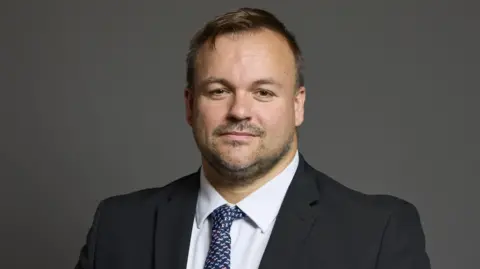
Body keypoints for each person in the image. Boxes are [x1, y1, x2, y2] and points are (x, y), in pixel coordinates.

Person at [75, 7, 431, 269]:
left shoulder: (378, 233)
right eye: (218, 91)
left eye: (263, 92)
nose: (240, 111)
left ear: (297, 105)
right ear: (189, 105)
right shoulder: (118, 227)